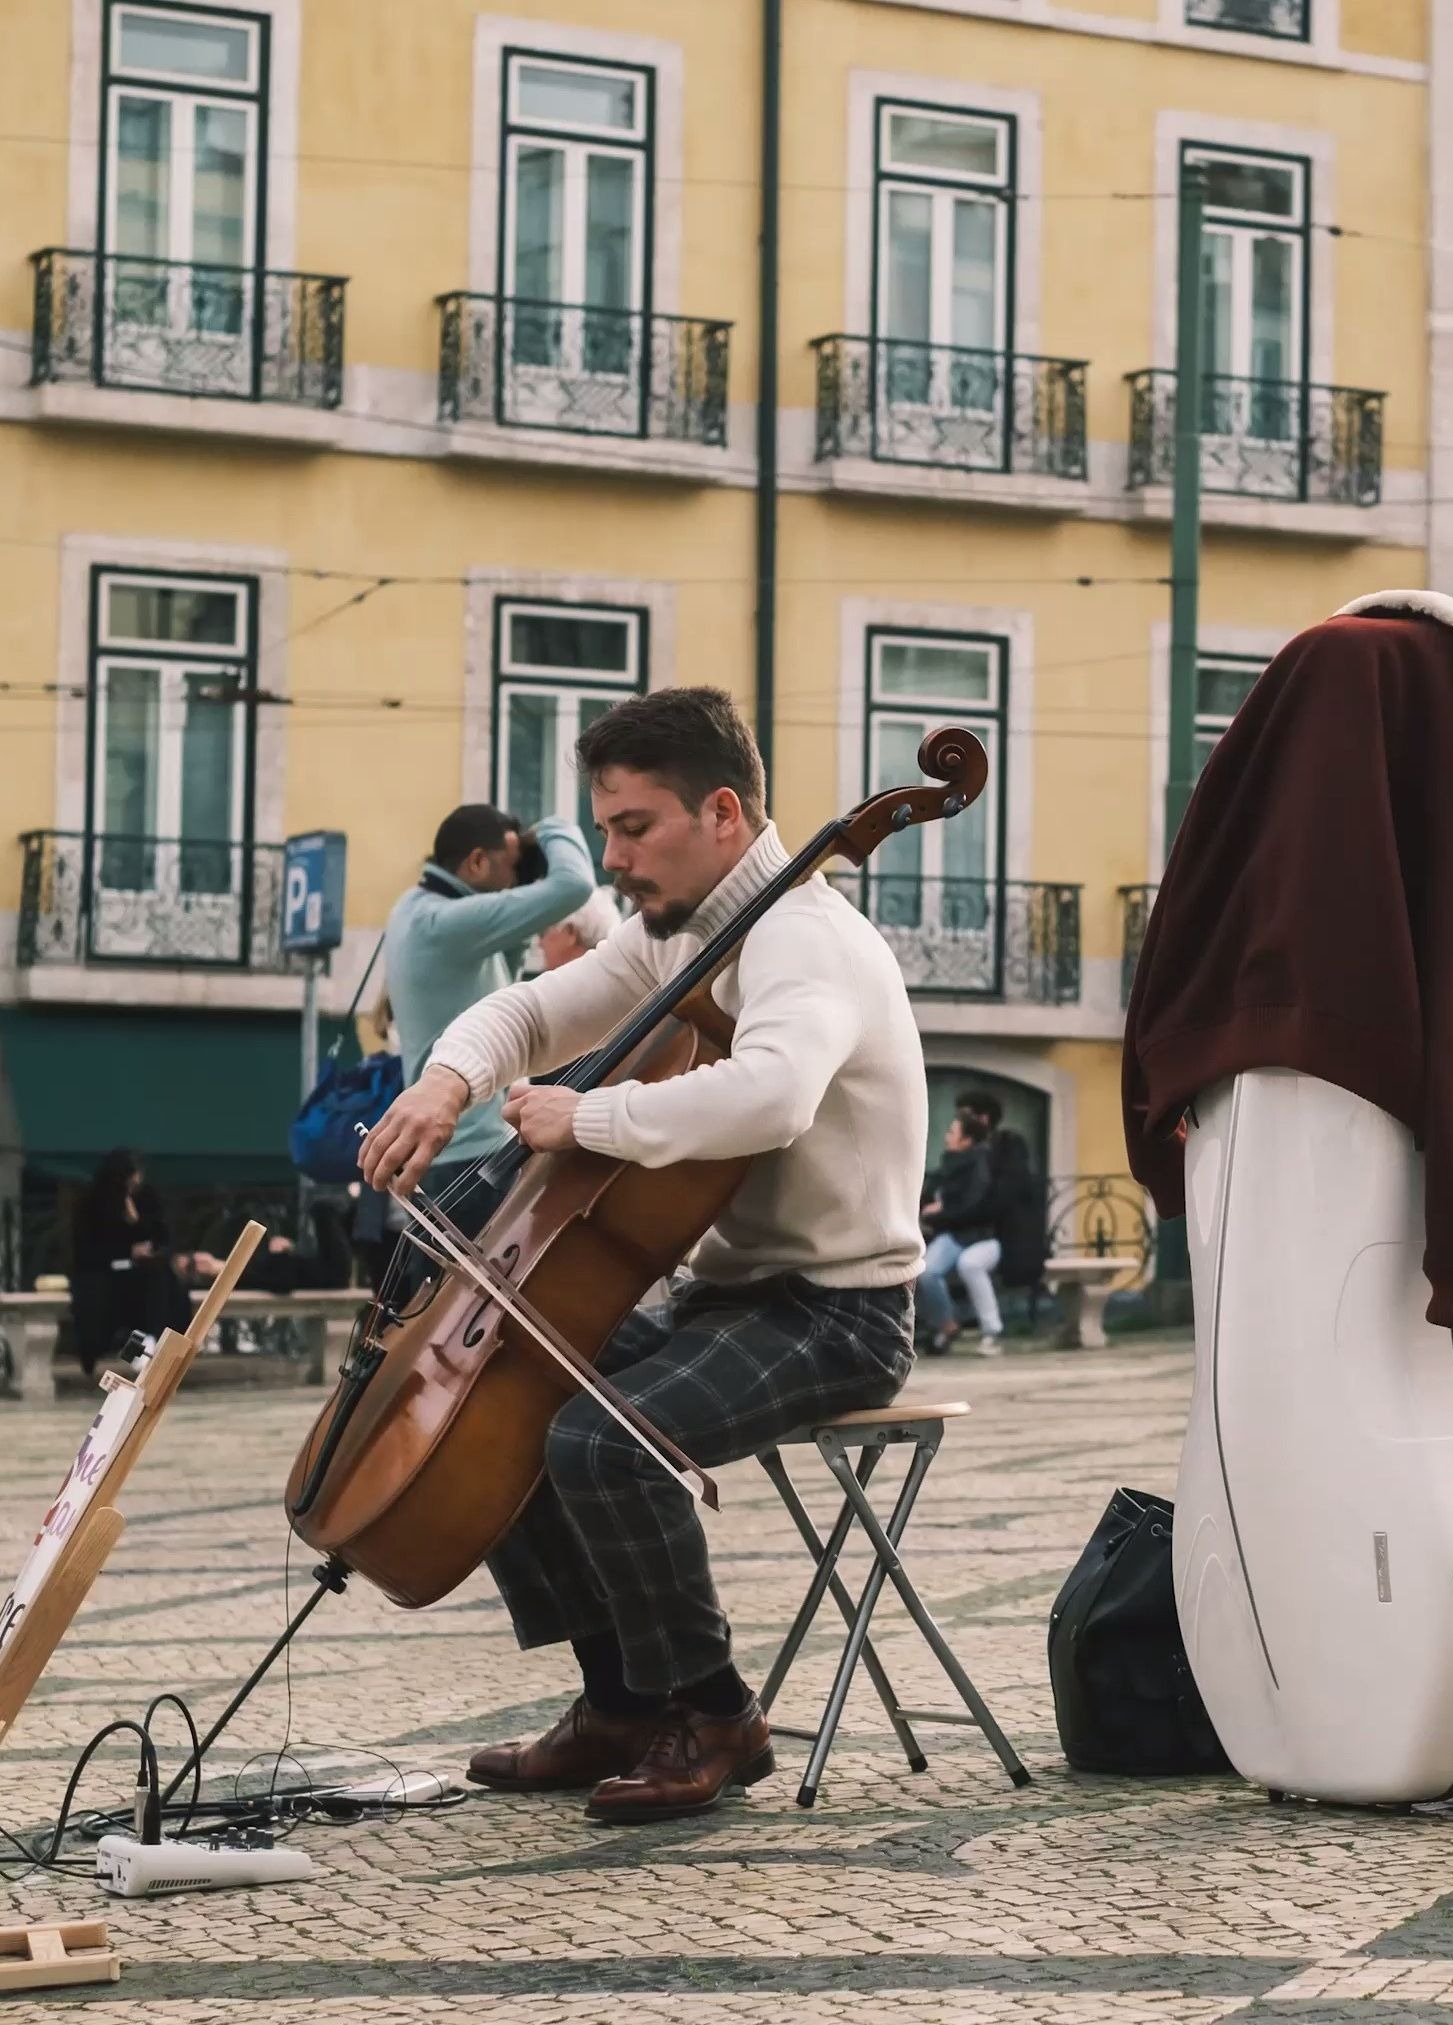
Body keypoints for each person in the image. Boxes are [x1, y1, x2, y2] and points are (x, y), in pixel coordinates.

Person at [358, 685, 923, 1824]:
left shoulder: (803, 940)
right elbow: (526, 1013)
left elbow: (772, 1095)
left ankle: (716, 1714)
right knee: (503, 1392)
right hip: (734, 1299)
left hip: (840, 1313)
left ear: (722, 813)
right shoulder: (679, 932)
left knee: (599, 1442)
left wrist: (588, 1120)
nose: (612, 858)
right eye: (604, 828)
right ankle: (619, 1700)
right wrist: (444, 1080)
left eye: (632, 827)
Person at [381, 800, 596, 1225]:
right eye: (513, 865)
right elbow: (575, 884)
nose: (518, 880)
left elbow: (501, 982)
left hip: (447, 1155)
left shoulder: (411, 907)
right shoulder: (446, 923)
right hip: (473, 1155)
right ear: (478, 862)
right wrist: (551, 826)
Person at [67, 1150, 205, 1379]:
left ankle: (156, 1345)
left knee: (162, 1287)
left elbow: (161, 1237)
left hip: (142, 1275)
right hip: (103, 1274)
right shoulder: (93, 1204)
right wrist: (126, 1251)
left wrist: (139, 1227)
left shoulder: (145, 1200)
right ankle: (131, 1349)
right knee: (102, 1303)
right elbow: (86, 1250)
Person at [957, 1090, 1051, 1337]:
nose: (959, 1122)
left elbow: (1001, 1199)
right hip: (968, 1233)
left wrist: (956, 1216)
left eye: (966, 1116)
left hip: (1004, 1237)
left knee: (970, 1264)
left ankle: (991, 1328)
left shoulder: (1007, 1147)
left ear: (984, 1119)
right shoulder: (967, 1151)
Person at [916, 1112, 1001, 1354]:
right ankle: (945, 1325)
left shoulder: (980, 1165)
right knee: (926, 1271)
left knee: (969, 1265)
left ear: (967, 1140)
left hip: (978, 1237)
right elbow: (932, 1192)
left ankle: (991, 1332)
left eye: (952, 1132)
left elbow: (970, 1205)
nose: (946, 1137)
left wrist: (938, 1213)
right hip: (952, 1235)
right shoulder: (950, 1162)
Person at [534, 886, 623, 978]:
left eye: (542, 933)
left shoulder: (565, 988)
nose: (540, 944)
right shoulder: (611, 980)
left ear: (570, 932)